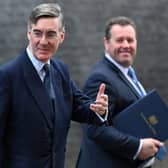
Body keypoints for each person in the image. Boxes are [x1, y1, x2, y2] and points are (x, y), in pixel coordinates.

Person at [0, 3, 108, 168]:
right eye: (37, 33)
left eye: (50, 34)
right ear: (28, 33)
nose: (43, 41)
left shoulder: (60, 70)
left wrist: (98, 109)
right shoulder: (8, 76)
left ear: (61, 36)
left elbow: (79, 106)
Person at [76, 16, 163, 168]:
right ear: (106, 43)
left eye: (130, 40)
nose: (126, 45)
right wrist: (138, 147)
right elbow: (95, 129)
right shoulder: (100, 78)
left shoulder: (128, 75)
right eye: (120, 40)